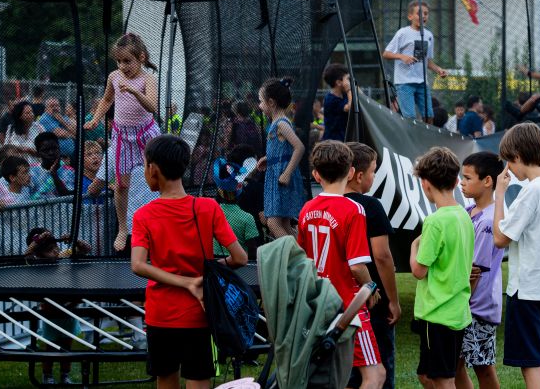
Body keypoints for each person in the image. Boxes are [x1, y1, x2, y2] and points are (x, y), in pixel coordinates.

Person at [131, 134, 247, 389]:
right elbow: (240, 257)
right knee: (198, 376)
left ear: (153, 169)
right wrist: (206, 273)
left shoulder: (143, 215)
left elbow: (138, 264)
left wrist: (185, 283)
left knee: (166, 378)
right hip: (200, 313)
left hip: (161, 315)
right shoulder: (208, 207)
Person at [297, 141, 385, 389]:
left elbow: (304, 259)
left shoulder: (307, 209)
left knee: (335, 375)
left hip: (317, 304)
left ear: (315, 174)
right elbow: (357, 266)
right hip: (348, 306)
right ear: (349, 172)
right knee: (375, 375)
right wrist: (370, 288)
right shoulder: (353, 209)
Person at [492, 123, 540, 389]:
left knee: (532, 364)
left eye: (508, 162)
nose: (509, 170)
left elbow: (500, 237)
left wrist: (499, 194)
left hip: (530, 291)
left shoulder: (532, 191)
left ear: (516, 156)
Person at [85, 33, 161, 252]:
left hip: (146, 134)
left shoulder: (147, 79)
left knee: (159, 178)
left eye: (127, 61)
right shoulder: (114, 77)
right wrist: (97, 118)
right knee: (121, 184)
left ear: (141, 58)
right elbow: (108, 99)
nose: (122, 66)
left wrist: (136, 93)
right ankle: (122, 228)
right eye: (119, 61)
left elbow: (152, 108)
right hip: (122, 135)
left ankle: (163, 220)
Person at [410, 147, 474, 389]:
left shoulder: (435, 222)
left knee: (442, 378)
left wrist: (414, 247)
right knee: (429, 375)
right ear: (457, 181)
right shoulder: (463, 215)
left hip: (437, 313)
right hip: (456, 310)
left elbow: (419, 270)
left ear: (425, 184)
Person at [345, 142, 400, 389]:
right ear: (358, 176)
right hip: (369, 300)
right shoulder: (371, 206)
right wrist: (393, 299)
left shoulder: (323, 206)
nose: (373, 177)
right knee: (378, 367)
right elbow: (382, 256)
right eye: (373, 171)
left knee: (346, 370)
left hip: (336, 298)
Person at [455, 152, 504, 389]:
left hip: (478, 305)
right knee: (457, 363)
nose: (461, 183)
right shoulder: (468, 211)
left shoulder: (489, 219)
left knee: (482, 367)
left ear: (487, 181)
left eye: (467, 178)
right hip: (467, 303)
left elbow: (475, 269)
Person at [25, 227, 91, 385]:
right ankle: (47, 375)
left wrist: (74, 240)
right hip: (50, 313)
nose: (55, 252)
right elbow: (27, 254)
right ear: (40, 254)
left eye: (56, 247)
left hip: (69, 310)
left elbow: (86, 249)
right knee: (50, 347)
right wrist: (38, 240)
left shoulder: (64, 256)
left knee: (67, 346)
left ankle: (65, 374)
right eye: (49, 250)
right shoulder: (38, 264)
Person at [382, 0, 448, 123]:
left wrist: (438, 69)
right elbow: (386, 53)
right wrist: (402, 57)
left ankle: (427, 140)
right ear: (410, 16)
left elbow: (427, 61)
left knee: (429, 116)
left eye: (426, 13)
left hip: (422, 82)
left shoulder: (428, 35)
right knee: (410, 117)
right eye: (419, 13)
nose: (423, 16)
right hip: (405, 82)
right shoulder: (403, 33)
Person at [257, 77, 305, 238]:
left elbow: (299, 147)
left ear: (271, 102)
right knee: (284, 223)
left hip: (281, 176)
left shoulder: (281, 124)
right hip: (276, 173)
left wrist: (287, 173)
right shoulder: (277, 123)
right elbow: (284, 148)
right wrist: (268, 158)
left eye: (261, 101)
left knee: (273, 223)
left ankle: (297, 258)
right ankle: (301, 255)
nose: (259, 106)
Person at [29, 132, 76, 199]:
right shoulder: (31, 170)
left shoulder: (69, 171)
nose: (51, 153)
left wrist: (54, 174)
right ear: (38, 153)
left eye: (54, 148)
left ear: (59, 149)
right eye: (46, 150)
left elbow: (68, 196)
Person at [321, 63, 352, 142]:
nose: (349, 81)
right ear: (338, 82)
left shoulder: (344, 95)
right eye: (347, 79)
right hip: (333, 142)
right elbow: (350, 107)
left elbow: (360, 98)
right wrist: (349, 89)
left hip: (343, 138)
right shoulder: (331, 99)